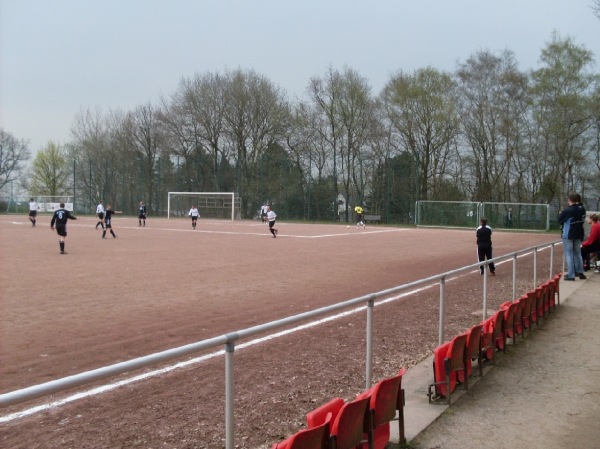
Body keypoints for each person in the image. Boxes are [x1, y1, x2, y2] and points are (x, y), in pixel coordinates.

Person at [558, 192, 586, 281]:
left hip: (568, 234)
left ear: (569, 200)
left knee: (569, 254)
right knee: (578, 254)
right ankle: (580, 272)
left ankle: (571, 274)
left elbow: (559, 220)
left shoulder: (568, 210)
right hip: (578, 234)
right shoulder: (582, 209)